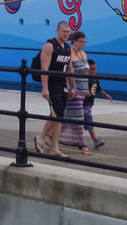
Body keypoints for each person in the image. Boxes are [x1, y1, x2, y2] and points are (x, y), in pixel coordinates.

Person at [35, 20, 72, 158]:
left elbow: (68, 68)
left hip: (62, 84)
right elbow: (44, 68)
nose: (66, 34)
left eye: (68, 32)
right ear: (58, 31)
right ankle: (41, 137)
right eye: (64, 31)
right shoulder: (49, 46)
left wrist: (71, 85)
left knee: (58, 116)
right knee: (57, 113)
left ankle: (54, 147)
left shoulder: (67, 48)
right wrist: (45, 88)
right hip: (52, 84)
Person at [59, 31, 92, 154]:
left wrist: (87, 88)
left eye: (84, 42)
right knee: (79, 118)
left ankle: (50, 137)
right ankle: (82, 145)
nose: (83, 44)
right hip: (73, 90)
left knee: (68, 119)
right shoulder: (69, 53)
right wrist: (69, 88)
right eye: (81, 41)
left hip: (83, 90)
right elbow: (67, 71)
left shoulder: (84, 54)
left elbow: (86, 73)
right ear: (74, 41)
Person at [84, 58, 114, 149]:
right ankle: (95, 140)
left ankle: (55, 136)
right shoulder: (85, 79)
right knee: (89, 121)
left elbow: (99, 89)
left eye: (95, 69)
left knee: (79, 123)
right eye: (92, 69)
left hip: (89, 103)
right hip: (83, 104)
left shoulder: (95, 79)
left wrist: (107, 95)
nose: (94, 71)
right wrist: (86, 90)